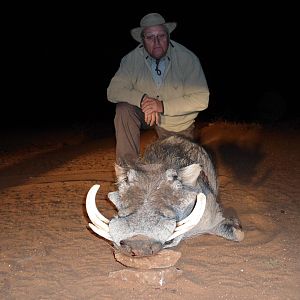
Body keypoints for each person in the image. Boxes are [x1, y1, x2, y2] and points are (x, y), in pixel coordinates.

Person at [107, 12, 209, 163]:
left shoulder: (187, 59)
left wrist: (161, 106)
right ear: (142, 40)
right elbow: (112, 91)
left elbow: (202, 98)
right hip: (146, 115)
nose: (156, 42)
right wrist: (143, 100)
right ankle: (127, 170)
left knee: (177, 169)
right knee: (124, 109)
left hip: (176, 124)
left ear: (168, 36)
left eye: (161, 36)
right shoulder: (131, 60)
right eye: (150, 37)